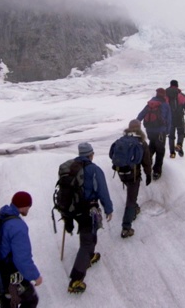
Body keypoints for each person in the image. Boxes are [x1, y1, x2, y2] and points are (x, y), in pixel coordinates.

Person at [65, 142, 113, 294]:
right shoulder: (94, 170)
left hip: (73, 210)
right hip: (88, 209)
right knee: (87, 241)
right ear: (90, 154)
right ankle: (75, 280)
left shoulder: (70, 167)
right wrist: (108, 208)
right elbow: (102, 191)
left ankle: (90, 256)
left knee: (89, 235)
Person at [0, 191, 43, 308]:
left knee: (9, 304)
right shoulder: (17, 227)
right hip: (9, 273)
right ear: (23, 206)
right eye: (29, 206)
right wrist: (35, 276)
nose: (29, 209)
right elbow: (22, 258)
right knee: (31, 300)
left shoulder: (2, 216)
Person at [114, 119, 152, 238]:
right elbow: (147, 161)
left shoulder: (121, 140)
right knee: (131, 199)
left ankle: (134, 208)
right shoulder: (141, 142)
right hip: (133, 174)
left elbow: (112, 155)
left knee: (131, 194)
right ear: (139, 128)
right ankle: (126, 227)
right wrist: (148, 174)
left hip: (121, 172)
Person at [136, 88, 171, 180]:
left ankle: (147, 162)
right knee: (160, 151)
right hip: (160, 132)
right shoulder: (165, 105)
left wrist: (136, 124)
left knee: (152, 146)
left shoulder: (150, 103)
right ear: (164, 95)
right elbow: (169, 119)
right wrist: (167, 131)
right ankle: (156, 171)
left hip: (149, 131)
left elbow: (141, 115)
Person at [165, 80, 185, 159]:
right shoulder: (181, 95)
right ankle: (179, 145)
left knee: (171, 136)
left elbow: (163, 107)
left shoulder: (165, 95)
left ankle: (172, 153)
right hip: (179, 117)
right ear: (177, 86)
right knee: (181, 133)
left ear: (170, 85)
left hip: (169, 119)